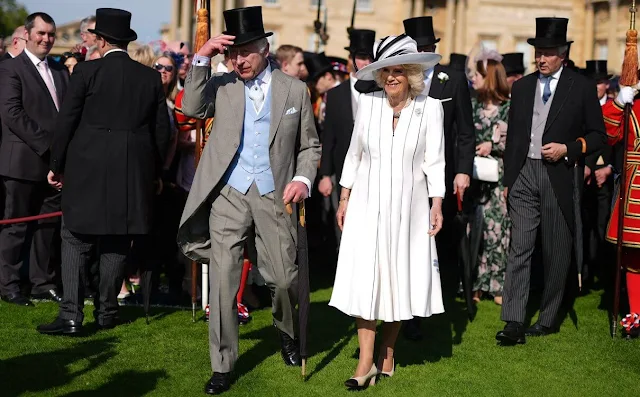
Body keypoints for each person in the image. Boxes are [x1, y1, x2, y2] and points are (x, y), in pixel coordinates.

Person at [176, 6, 320, 395]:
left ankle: (286, 331)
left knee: (283, 278)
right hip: (229, 194)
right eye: (232, 53)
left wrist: (304, 178)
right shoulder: (221, 86)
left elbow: (310, 145)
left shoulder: (294, 90)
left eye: (246, 52)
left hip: (276, 194)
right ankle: (222, 364)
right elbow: (189, 109)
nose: (238, 60)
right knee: (223, 279)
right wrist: (203, 55)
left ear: (264, 49)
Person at [37, 8, 170, 335]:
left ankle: (71, 314)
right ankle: (107, 312)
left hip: (86, 168)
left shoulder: (85, 73)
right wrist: (154, 173)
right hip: (131, 170)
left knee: (74, 237)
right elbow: (161, 132)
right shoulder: (149, 77)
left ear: (101, 38)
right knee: (117, 240)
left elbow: (65, 122)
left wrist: (56, 166)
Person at [330, 35, 444, 389]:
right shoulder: (369, 103)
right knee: (366, 279)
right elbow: (354, 154)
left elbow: (434, 160)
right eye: (387, 72)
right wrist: (344, 197)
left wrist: (436, 203)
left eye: (399, 71)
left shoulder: (431, 108)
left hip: (409, 209)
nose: (392, 77)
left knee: (397, 281)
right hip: (365, 204)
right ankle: (366, 363)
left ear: (412, 74)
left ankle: (388, 351)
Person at [497, 17, 606, 345]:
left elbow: (599, 136)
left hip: (559, 176)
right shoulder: (522, 86)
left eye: (547, 53)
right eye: (538, 52)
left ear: (563, 54)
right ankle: (514, 322)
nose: (541, 59)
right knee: (520, 248)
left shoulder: (581, 87)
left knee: (558, 251)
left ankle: (547, 318)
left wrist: (569, 149)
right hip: (523, 175)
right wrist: (509, 179)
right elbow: (514, 138)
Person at [402, 15, 475, 340]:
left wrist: (461, 170)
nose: (421, 52)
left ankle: (432, 306)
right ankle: (407, 310)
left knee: (438, 242)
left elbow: (464, 131)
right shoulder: (398, 77)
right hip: (405, 174)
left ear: (433, 49)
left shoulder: (453, 79)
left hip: (440, 176)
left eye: (425, 47)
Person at [0, 12, 68, 306]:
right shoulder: (11, 69)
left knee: (46, 227)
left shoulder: (60, 71)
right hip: (22, 163)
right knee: (16, 226)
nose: (46, 39)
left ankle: (42, 283)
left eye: (51, 34)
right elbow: (13, 114)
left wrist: (61, 154)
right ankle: (9, 285)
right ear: (27, 34)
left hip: (53, 166)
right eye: (41, 33)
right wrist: (50, 147)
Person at [468, 49, 511, 305]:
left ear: (490, 76)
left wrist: (492, 146)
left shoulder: (509, 108)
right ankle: (475, 284)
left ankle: (497, 286)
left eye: (478, 75)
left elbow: (517, 142)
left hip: (499, 178)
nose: (473, 79)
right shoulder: (473, 106)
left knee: (498, 231)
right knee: (476, 229)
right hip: (475, 178)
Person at [603, 83, 640, 339]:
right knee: (633, 256)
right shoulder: (630, 104)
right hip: (634, 185)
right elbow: (607, 134)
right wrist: (618, 103)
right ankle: (636, 315)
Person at [582, 60, 616, 288]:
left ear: (606, 84)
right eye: (593, 82)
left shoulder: (616, 108)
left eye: (600, 82)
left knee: (604, 226)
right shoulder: (583, 106)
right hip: (585, 173)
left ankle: (606, 276)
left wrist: (609, 168)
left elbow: (621, 143)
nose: (596, 86)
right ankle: (583, 275)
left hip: (607, 174)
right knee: (584, 224)